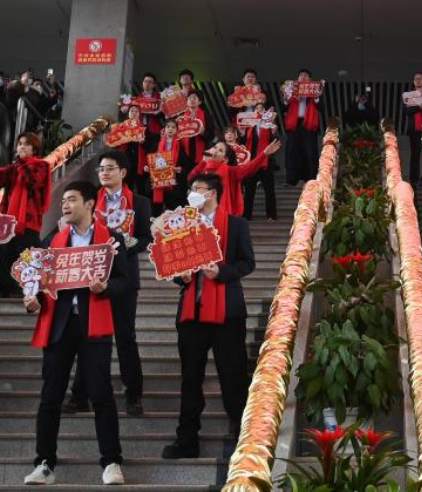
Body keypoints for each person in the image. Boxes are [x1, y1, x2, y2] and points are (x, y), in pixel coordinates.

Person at [23, 181, 128, 486]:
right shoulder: (52, 240)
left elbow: (126, 281)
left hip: (94, 325)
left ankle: (111, 462)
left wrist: (106, 287)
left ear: (90, 204)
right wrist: (32, 301)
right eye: (64, 201)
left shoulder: (112, 240)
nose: (65, 205)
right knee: (50, 396)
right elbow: (38, 283)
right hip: (59, 325)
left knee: (101, 394)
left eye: (71, 200)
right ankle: (44, 463)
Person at [162, 174, 256, 458]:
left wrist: (222, 272)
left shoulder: (236, 224)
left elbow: (247, 262)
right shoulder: (182, 225)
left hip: (227, 312)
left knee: (233, 378)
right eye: (191, 189)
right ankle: (187, 440)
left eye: (198, 189)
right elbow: (174, 265)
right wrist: (182, 276)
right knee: (190, 379)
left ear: (212, 193)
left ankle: (245, 440)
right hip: (192, 312)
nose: (192, 193)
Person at [64, 151, 154, 416]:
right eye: (101, 169)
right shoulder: (91, 201)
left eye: (110, 168)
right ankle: (80, 395)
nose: (103, 173)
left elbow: (146, 239)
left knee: (125, 337)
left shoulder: (139, 202)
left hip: (123, 278)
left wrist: (121, 249)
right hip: (90, 276)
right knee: (88, 334)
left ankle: (133, 394)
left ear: (123, 172)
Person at [0, 133, 51, 296]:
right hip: (9, 222)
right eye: (19, 144)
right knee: (6, 257)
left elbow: (33, 181)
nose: (21, 147)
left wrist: (21, 163)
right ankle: (6, 290)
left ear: (34, 149)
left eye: (26, 144)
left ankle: (32, 293)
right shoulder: (15, 168)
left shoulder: (41, 165)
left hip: (29, 223)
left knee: (28, 257)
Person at [189, 137, 282, 218]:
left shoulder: (230, 171)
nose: (216, 150)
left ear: (225, 160)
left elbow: (248, 168)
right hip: (200, 215)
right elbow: (190, 179)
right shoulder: (202, 168)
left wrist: (264, 154)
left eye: (220, 150)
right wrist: (203, 162)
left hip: (221, 217)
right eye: (215, 147)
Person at [234, 69, 277, 221]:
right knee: (250, 187)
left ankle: (271, 215)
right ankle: (246, 215)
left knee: (269, 188)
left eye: (261, 107)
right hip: (251, 156)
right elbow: (242, 137)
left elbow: (274, 137)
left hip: (265, 157)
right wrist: (241, 131)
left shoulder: (268, 120)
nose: (258, 109)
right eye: (256, 108)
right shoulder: (247, 120)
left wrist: (274, 130)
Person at [120, 72, 164, 193]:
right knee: (136, 158)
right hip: (137, 130)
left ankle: (149, 188)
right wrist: (125, 108)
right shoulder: (136, 98)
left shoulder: (159, 99)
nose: (147, 84)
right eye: (145, 81)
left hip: (153, 132)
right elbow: (126, 109)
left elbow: (167, 114)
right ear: (142, 83)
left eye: (150, 82)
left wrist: (159, 112)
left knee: (152, 159)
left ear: (154, 84)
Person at [282, 68, 323, 186]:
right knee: (291, 152)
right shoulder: (291, 91)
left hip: (309, 126)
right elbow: (283, 108)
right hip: (294, 125)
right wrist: (286, 98)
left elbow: (322, 108)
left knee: (310, 152)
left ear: (310, 80)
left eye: (306, 76)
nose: (303, 77)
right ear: (298, 79)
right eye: (301, 76)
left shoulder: (315, 92)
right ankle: (291, 179)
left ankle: (311, 178)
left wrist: (316, 97)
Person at [404, 72, 422, 188]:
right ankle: (414, 180)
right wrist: (419, 107)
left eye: (420, 79)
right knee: (415, 155)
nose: (418, 81)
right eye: (416, 79)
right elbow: (406, 111)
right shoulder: (408, 95)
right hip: (415, 130)